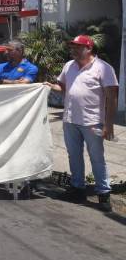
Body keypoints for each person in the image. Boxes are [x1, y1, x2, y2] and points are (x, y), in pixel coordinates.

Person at [44, 35, 119, 212]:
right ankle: (77, 188)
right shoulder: (68, 66)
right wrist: (48, 86)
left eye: (78, 47)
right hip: (70, 120)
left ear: (89, 48)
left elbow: (112, 97)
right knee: (74, 155)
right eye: (72, 47)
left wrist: (109, 125)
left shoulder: (103, 68)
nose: (74, 50)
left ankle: (103, 193)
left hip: (92, 122)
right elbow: (64, 88)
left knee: (97, 158)